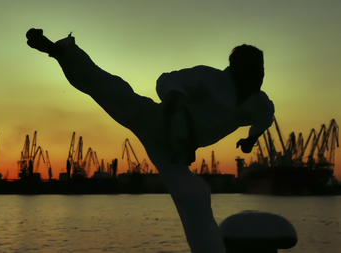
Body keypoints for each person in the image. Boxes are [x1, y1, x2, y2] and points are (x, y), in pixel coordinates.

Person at [26, 28, 274, 253]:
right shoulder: (209, 78)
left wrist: (251, 139)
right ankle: (62, 52)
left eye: (261, 71)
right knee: (119, 95)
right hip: (160, 122)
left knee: (195, 195)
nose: (259, 77)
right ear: (237, 71)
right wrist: (173, 95)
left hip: (175, 153)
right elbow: (169, 78)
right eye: (254, 71)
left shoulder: (259, 103)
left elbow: (265, 118)